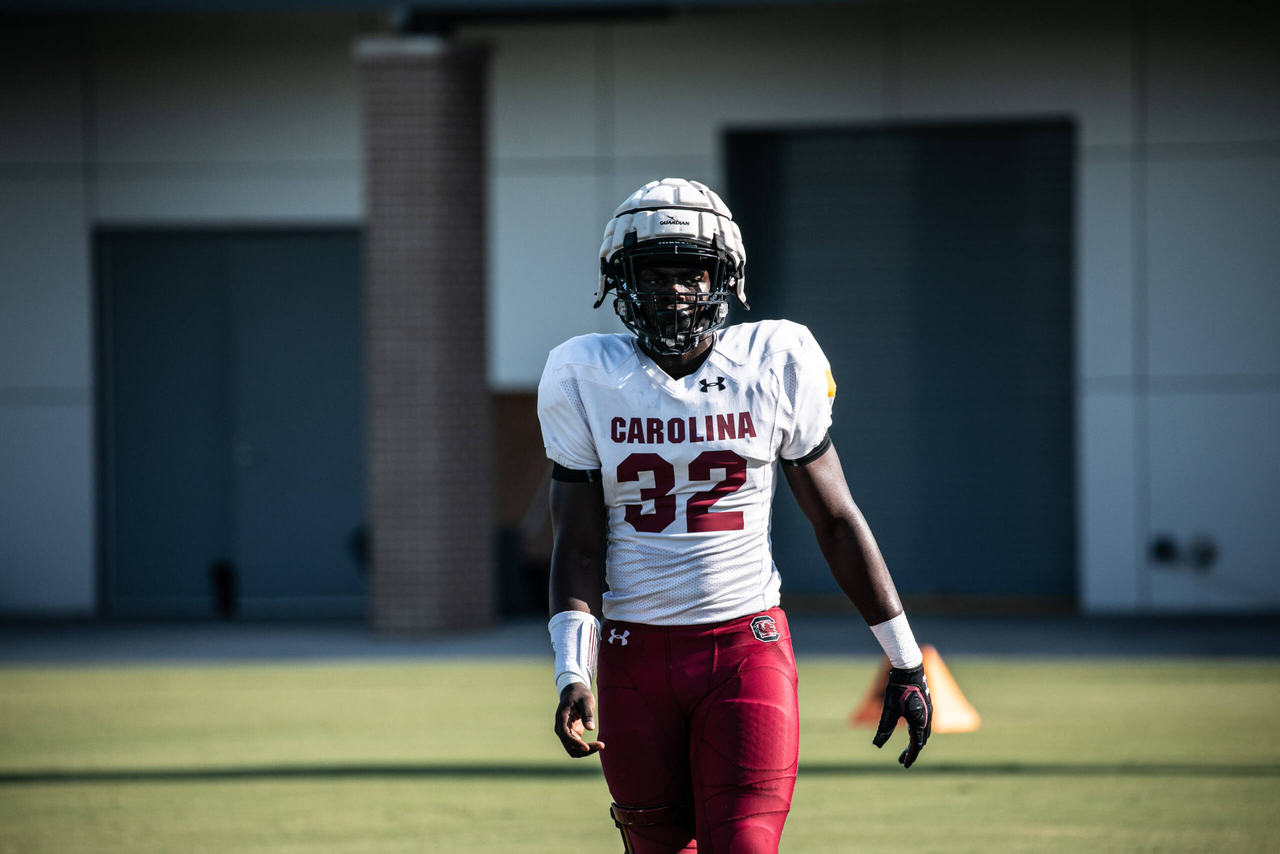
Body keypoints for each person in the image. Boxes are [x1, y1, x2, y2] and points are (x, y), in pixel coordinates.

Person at [539, 178, 931, 854]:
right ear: (620, 282)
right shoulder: (584, 375)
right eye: (652, 273)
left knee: (746, 844)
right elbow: (576, 547)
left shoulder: (774, 362)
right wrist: (573, 671)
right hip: (632, 656)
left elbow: (835, 521)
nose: (672, 291)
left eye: (690, 273)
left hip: (744, 648)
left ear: (724, 279)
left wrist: (905, 660)